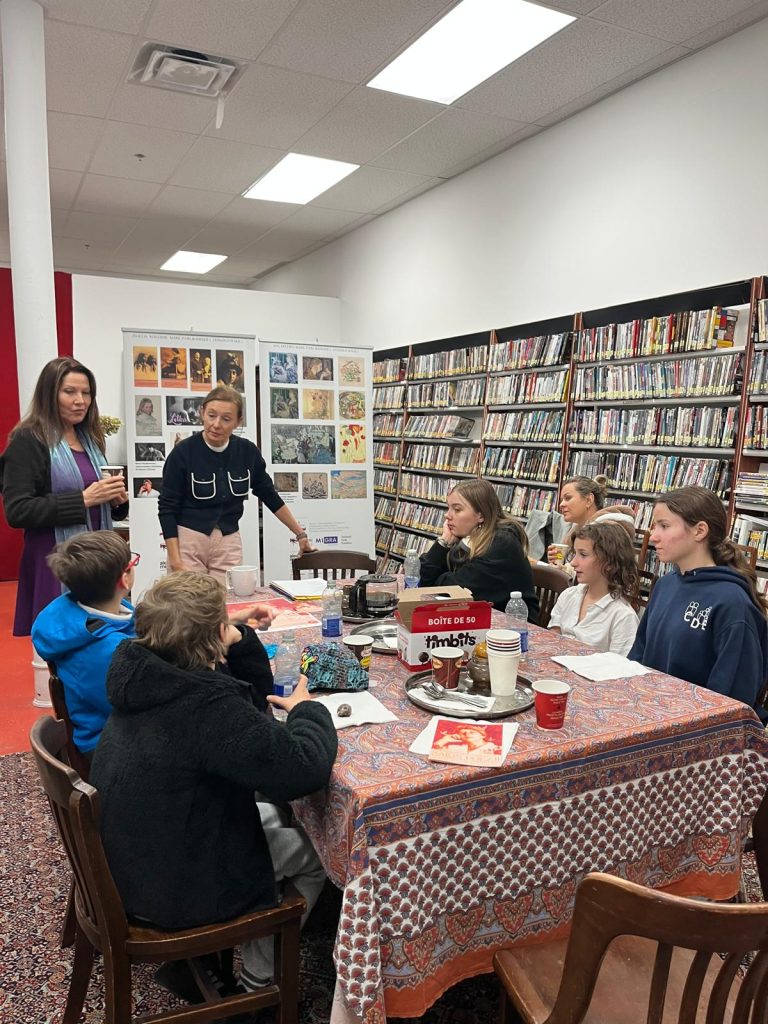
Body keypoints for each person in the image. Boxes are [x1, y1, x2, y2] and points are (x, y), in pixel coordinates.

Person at [90, 572, 338, 996]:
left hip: (133, 859)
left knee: (275, 812)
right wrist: (307, 710)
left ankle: (216, 961)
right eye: (224, 622)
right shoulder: (204, 706)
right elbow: (301, 770)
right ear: (208, 642)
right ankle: (258, 986)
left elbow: (253, 699)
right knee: (320, 849)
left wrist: (238, 636)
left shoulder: (144, 671)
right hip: (177, 883)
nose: (233, 626)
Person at [0, 357, 128, 636]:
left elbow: (98, 503)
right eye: (69, 392)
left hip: (97, 561)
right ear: (49, 394)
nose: (80, 400)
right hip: (54, 562)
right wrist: (83, 499)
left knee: (101, 640)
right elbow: (18, 510)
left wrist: (116, 500)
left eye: (86, 393)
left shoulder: (90, 439)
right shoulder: (27, 441)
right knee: (62, 645)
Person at [629, 486, 768, 721]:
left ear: (700, 531)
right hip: (650, 713)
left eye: (664, 526)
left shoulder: (733, 604)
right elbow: (639, 655)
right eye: (655, 526)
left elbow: (733, 698)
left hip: (697, 728)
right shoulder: (665, 585)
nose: (653, 536)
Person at [159, 385, 314, 579]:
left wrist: (300, 534)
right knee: (191, 603)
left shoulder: (247, 452)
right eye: (211, 415)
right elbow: (167, 508)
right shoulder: (183, 453)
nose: (216, 424)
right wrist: (175, 559)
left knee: (227, 602)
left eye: (226, 419)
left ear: (238, 421)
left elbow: (269, 495)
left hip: (228, 539)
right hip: (189, 539)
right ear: (201, 414)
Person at [31, 533, 137, 759]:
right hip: (111, 744)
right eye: (133, 563)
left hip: (102, 729)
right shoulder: (112, 651)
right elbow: (137, 704)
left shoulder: (69, 611)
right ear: (125, 579)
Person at [419, 479, 539, 620]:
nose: (447, 515)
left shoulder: (502, 543)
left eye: (457, 509)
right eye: (448, 508)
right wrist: (443, 542)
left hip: (513, 628)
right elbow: (423, 580)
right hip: (478, 620)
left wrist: (438, 577)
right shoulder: (469, 539)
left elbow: (453, 591)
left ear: (481, 515)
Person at [548, 522, 639, 656]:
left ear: (609, 563)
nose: (573, 562)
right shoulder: (568, 595)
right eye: (574, 553)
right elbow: (550, 643)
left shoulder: (623, 617)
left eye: (583, 555)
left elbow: (620, 669)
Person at [547, 474, 636, 578]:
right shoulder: (576, 531)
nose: (561, 504)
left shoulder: (607, 531)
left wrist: (564, 571)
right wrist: (558, 563)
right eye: (562, 499)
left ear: (589, 500)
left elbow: (602, 574)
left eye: (568, 498)